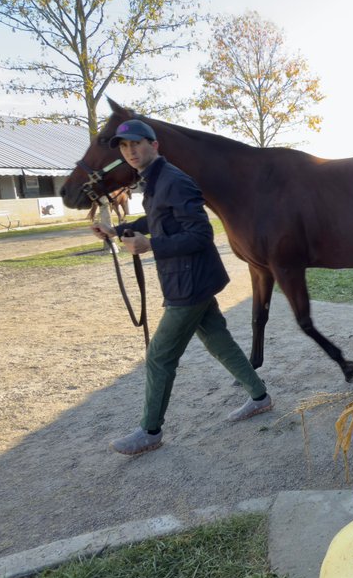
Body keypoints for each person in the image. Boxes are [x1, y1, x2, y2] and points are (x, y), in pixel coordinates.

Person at [92, 118, 272, 455]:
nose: (130, 151)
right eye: (125, 146)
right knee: (219, 341)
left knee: (159, 356)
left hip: (189, 284)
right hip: (190, 279)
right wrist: (119, 230)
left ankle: (150, 431)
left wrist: (151, 245)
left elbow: (201, 234)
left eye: (137, 144)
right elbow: (159, 219)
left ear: (154, 145)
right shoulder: (155, 180)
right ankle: (260, 397)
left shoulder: (173, 180)